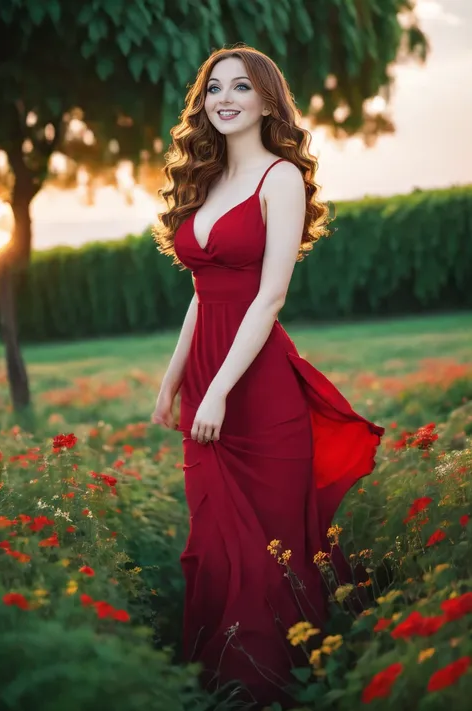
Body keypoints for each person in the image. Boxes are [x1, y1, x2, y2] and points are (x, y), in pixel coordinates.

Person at [152, 44, 384, 710]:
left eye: (240, 87)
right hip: (208, 382)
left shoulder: (279, 178)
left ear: (265, 101)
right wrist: (174, 381)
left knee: (275, 544)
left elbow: (270, 295)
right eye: (213, 87)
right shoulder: (207, 181)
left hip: (256, 386)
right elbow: (202, 294)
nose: (224, 98)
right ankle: (224, 678)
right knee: (217, 541)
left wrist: (221, 387)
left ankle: (284, 684)